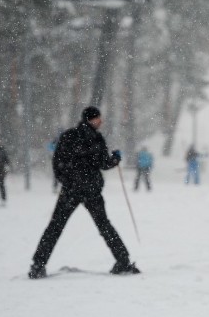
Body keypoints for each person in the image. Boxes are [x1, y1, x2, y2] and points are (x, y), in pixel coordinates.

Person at [28, 106, 139, 279]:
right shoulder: (95, 138)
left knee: (56, 226)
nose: (100, 121)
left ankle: (38, 265)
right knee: (104, 225)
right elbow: (103, 163)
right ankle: (123, 261)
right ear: (90, 119)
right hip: (91, 190)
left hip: (72, 190)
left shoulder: (69, 136)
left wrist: (65, 181)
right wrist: (115, 159)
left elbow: (58, 162)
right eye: (97, 119)